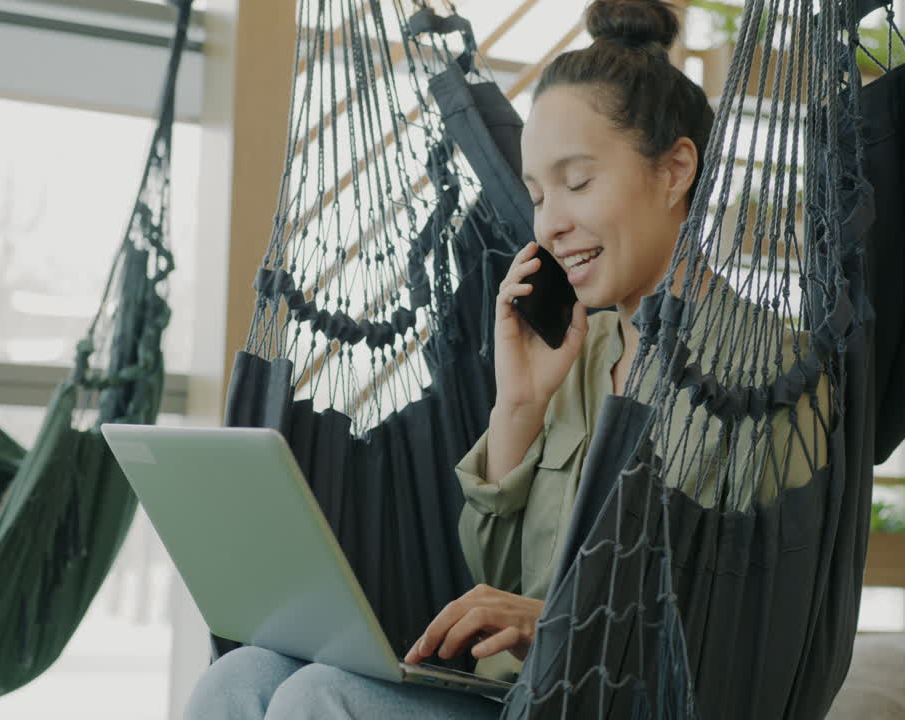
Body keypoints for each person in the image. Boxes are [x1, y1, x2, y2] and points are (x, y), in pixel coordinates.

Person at [184, 1, 739, 716]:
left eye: (576, 183)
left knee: (318, 700)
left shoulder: (760, 378)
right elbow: (499, 576)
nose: (551, 224)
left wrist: (555, 621)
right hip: (516, 692)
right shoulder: (579, 351)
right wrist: (519, 406)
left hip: (612, 697)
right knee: (240, 676)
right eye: (537, 196)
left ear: (676, 170)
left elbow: (742, 611)